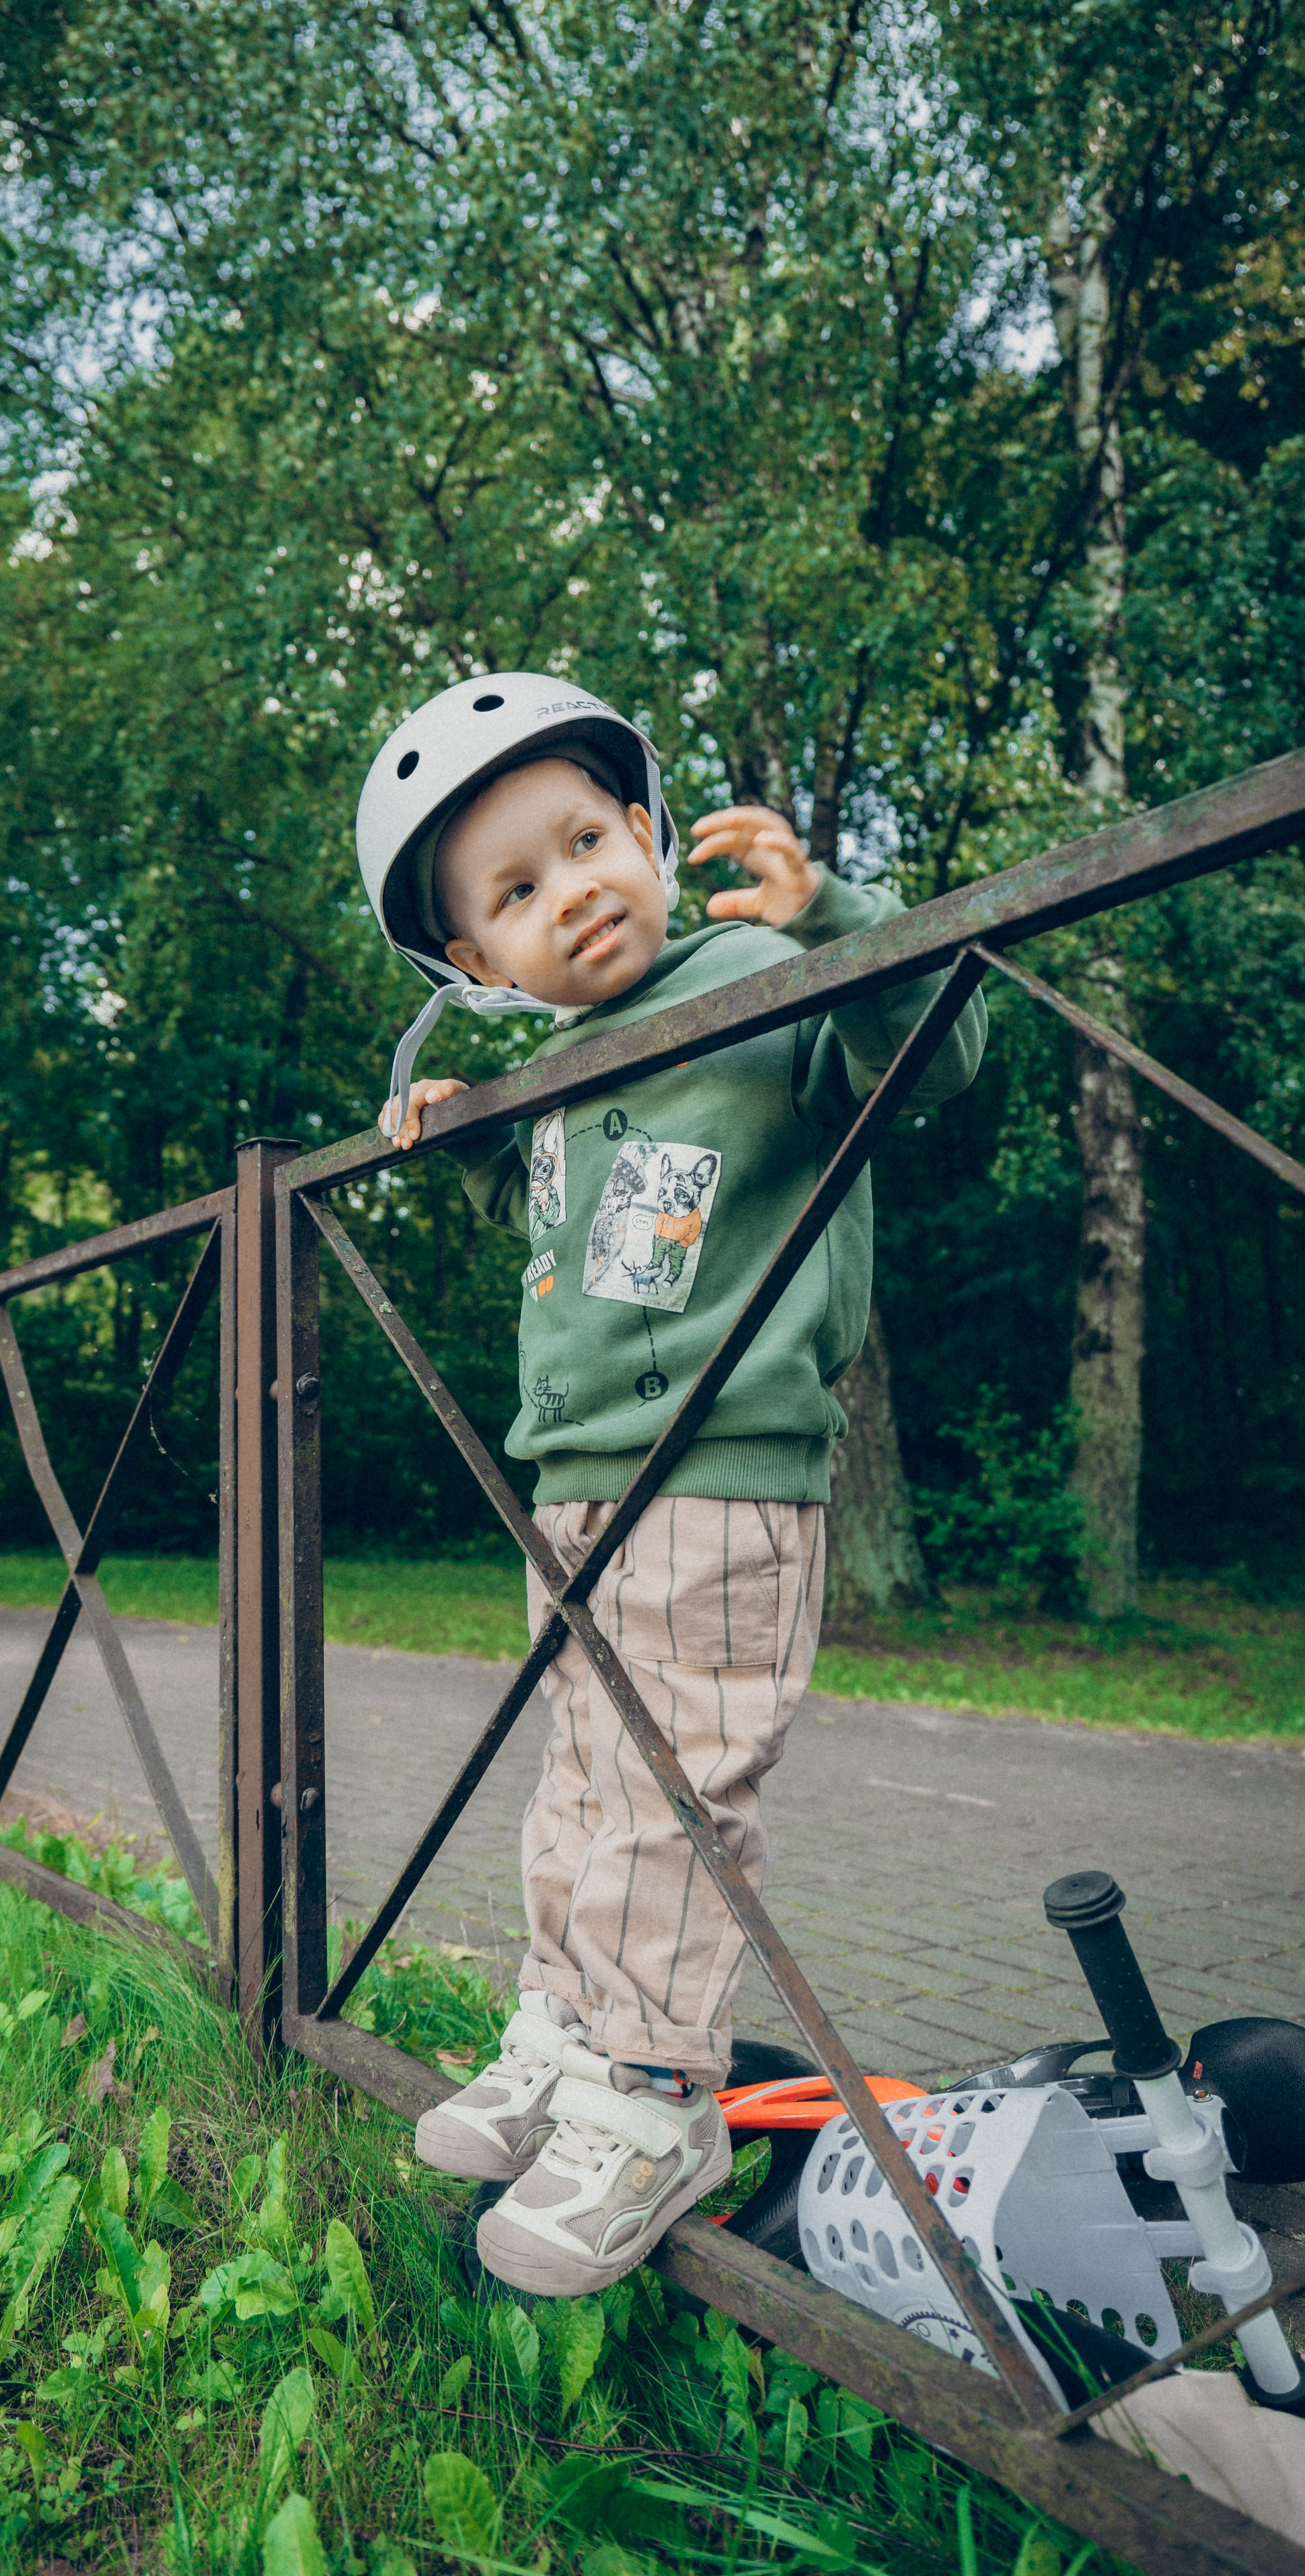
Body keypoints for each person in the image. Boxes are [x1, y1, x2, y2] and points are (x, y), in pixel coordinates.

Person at [354, 674, 985, 2296]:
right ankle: (569, 2041)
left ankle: (654, 2101)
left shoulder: (759, 980)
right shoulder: (563, 1063)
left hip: (718, 1469)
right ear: (476, 966)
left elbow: (937, 1043)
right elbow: (564, 1208)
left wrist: (842, 921)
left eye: (582, 841)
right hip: (574, 1484)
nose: (568, 892)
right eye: (513, 893)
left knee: (668, 1791)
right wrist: (465, 1135)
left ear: (641, 827)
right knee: (578, 1779)